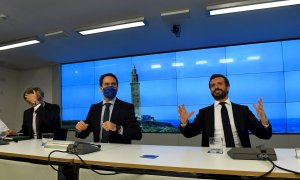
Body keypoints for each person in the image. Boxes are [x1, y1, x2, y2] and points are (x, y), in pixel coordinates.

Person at [178, 74, 272, 148]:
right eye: (212, 85)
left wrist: (264, 120)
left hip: (240, 157)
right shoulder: (204, 113)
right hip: (212, 158)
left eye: (220, 83)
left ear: (228, 87)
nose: (216, 87)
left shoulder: (243, 110)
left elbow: (265, 135)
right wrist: (184, 122)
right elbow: (189, 133)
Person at [75, 73, 142, 143]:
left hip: (119, 152)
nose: (110, 86)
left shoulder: (127, 107)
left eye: (113, 84)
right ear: (101, 88)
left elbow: (137, 134)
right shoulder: (94, 108)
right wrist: (79, 129)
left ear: (117, 88)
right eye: (107, 84)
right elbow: (84, 134)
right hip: (98, 151)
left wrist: (118, 128)